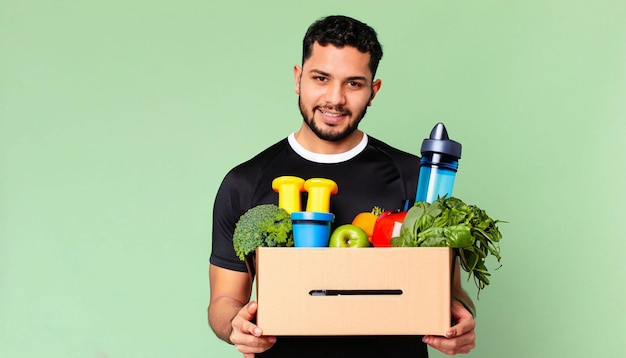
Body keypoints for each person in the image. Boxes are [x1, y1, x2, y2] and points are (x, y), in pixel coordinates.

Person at [208, 15, 476, 357]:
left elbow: (450, 292)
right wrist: (235, 325)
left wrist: (461, 318)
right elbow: (223, 301)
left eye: (353, 83)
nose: (334, 98)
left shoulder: (417, 178)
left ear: (373, 90)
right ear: (298, 78)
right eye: (321, 78)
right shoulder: (245, 182)